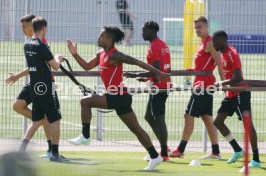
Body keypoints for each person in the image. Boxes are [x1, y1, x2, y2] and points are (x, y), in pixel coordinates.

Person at [67, 26, 170, 170]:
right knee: (136, 129)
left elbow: (137, 62)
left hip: (118, 96)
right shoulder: (100, 54)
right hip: (119, 97)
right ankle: (155, 156)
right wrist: (74, 54)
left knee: (85, 101)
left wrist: (158, 73)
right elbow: (86, 66)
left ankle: (85, 136)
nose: (99, 38)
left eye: (102, 36)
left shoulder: (115, 55)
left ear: (110, 39)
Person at [171, 16, 225, 159]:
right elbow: (202, 66)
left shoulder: (209, 43)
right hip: (202, 84)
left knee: (188, 115)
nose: (197, 30)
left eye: (200, 27)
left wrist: (225, 84)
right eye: (195, 27)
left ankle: (180, 150)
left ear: (207, 27)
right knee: (207, 118)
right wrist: (192, 70)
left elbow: (220, 64)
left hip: (203, 86)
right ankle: (216, 151)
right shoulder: (202, 44)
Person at [19, 16, 67, 162]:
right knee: (55, 119)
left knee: (37, 120)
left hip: (34, 87)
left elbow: (34, 66)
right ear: (44, 28)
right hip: (46, 87)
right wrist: (59, 57)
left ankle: (21, 150)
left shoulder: (27, 45)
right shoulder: (42, 46)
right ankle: (55, 154)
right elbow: (55, 66)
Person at [212, 30, 262, 167]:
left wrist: (220, 84)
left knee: (247, 125)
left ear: (222, 40)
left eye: (214, 41)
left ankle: (256, 159)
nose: (213, 43)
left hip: (240, 93)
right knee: (218, 122)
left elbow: (238, 77)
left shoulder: (231, 53)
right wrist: (225, 87)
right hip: (231, 94)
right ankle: (237, 149)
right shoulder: (224, 54)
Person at [5, 14, 51, 158]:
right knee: (18, 106)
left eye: (24, 27)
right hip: (33, 82)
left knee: (35, 114)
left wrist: (17, 76)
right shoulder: (30, 42)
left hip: (40, 84)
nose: (23, 30)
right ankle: (41, 119)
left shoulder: (41, 42)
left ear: (33, 26)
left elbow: (38, 67)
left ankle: (50, 148)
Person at [124, 21, 171, 162]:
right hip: (160, 84)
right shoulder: (162, 44)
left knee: (159, 118)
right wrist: (145, 78)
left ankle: (164, 153)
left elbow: (156, 69)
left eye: (144, 30)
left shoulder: (155, 46)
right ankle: (164, 148)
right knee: (149, 116)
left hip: (159, 87)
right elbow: (161, 68)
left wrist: (136, 75)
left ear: (151, 31)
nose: (142, 33)